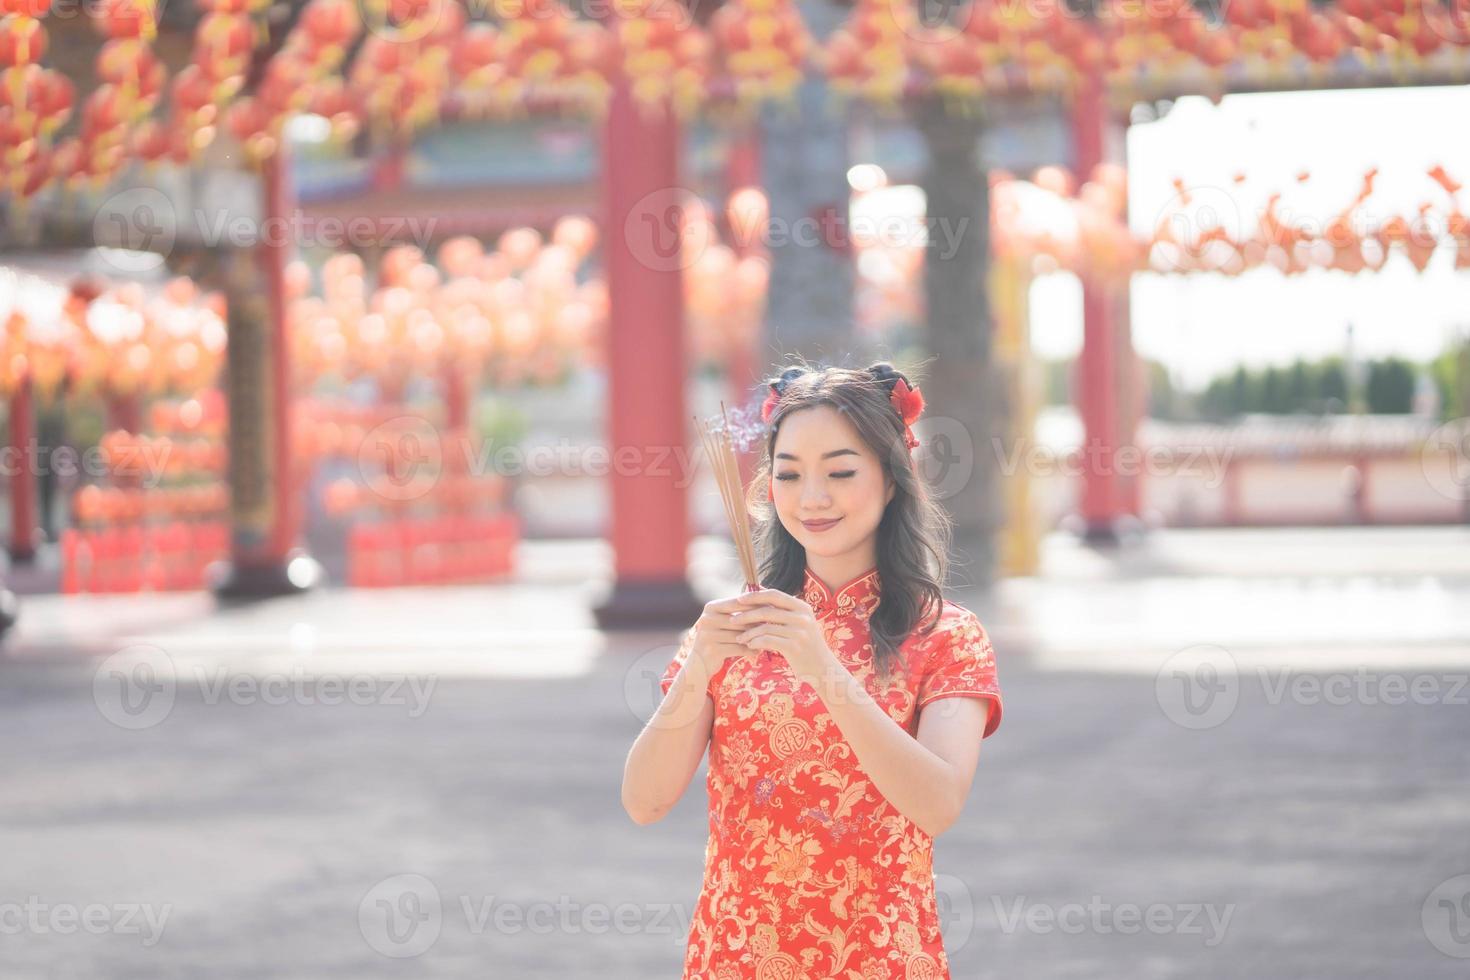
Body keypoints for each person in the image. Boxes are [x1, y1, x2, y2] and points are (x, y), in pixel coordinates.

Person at [622, 360, 1003, 979]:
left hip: (879, 957)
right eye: (789, 474)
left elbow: (935, 805)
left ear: (890, 478)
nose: (812, 498)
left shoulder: (945, 634)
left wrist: (822, 664)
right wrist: (698, 669)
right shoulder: (732, 629)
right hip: (736, 956)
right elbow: (644, 802)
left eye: (841, 472)